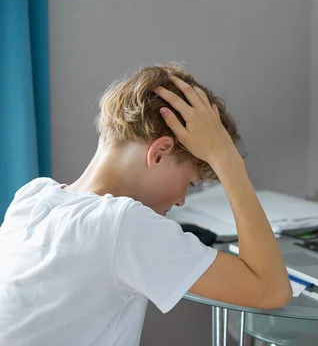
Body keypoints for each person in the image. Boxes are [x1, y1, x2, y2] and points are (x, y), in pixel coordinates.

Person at [0, 63, 292, 346]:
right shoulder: (122, 223)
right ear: (160, 152)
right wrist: (227, 160)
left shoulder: (33, 197)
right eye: (190, 184)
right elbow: (272, 290)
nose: (180, 200)